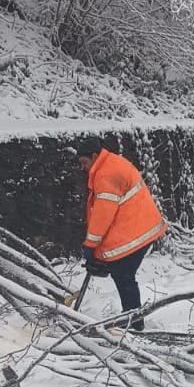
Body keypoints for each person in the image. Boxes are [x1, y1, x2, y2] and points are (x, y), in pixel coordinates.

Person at [75, 137, 167, 329]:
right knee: (122, 274)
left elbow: (103, 214)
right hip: (139, 225)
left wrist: (90, 246)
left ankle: (134, 325)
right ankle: (132, 321)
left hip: (136, 230)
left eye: (84, 163)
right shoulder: (110, 164)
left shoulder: (105, 174)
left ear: (94, 156)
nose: (82, 168)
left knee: (123, 275)